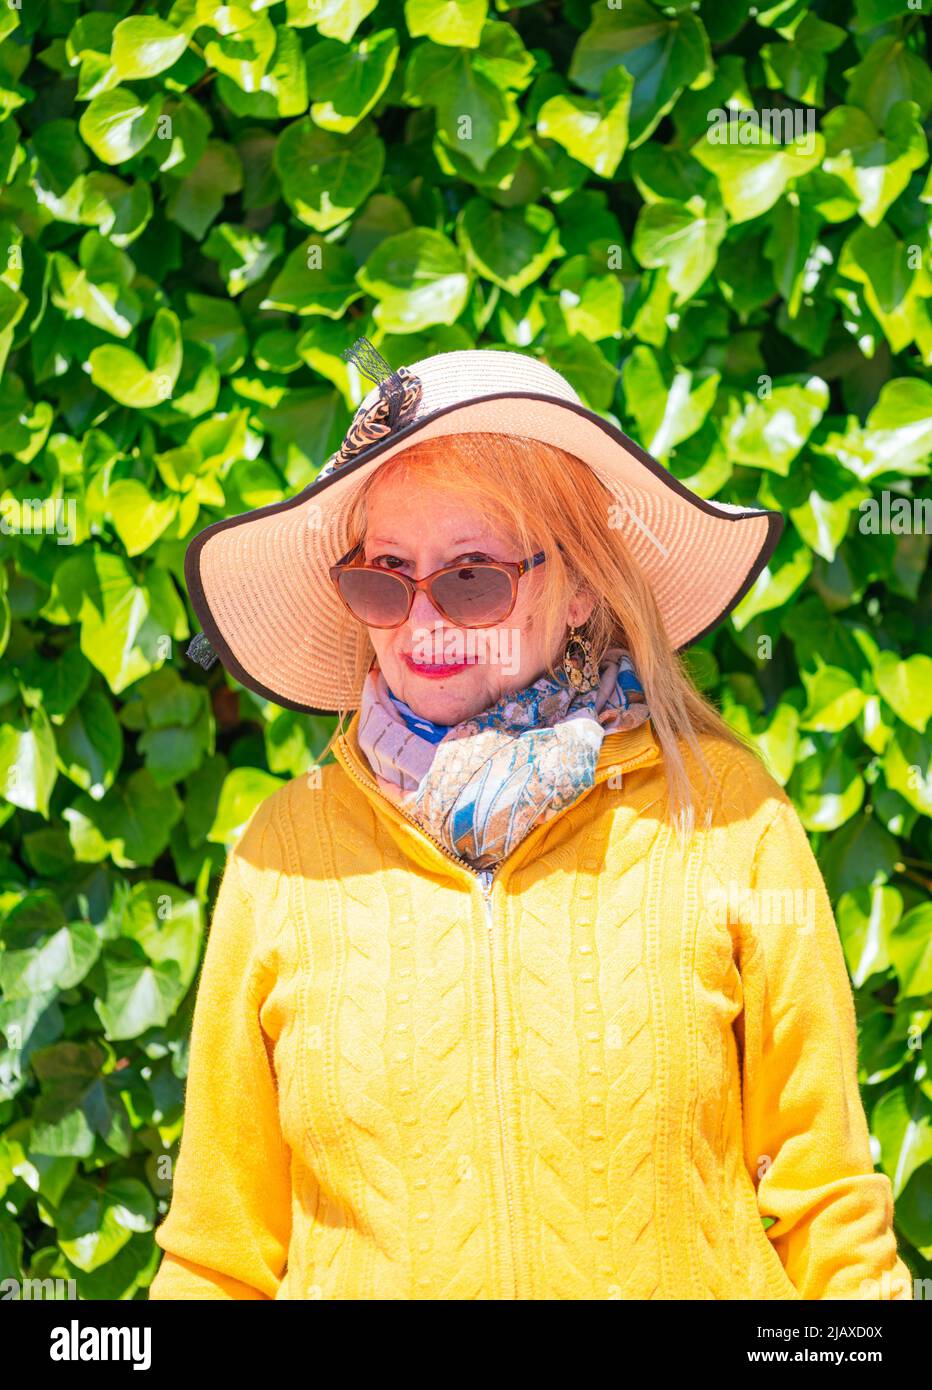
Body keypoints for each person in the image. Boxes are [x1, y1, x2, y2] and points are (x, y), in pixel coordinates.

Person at [149, 340, 912, 1300]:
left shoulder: (730, 821)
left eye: (473, 577)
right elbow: (217, 1260)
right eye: (385, 576)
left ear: (581, 583)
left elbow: (830, 1214)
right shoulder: (281, 859)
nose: (421, 621)